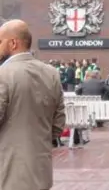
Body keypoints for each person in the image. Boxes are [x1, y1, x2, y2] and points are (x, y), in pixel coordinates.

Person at [0, 19, 66, 190]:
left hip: (7, 172)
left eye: (0, 41)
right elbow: (58, 124)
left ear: (13, 43)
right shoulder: (51, 74)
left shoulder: (2, 75)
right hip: (41, 170)